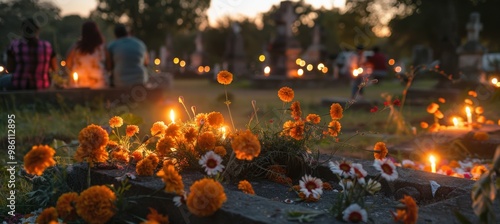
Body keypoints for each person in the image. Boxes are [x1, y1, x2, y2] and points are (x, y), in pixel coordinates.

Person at [0, 18, 57, 90]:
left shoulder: (14, 45)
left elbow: (10, 69)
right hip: (42, 85)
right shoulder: (47, 46)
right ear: (38, 30)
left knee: (2, 80)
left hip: (19, 84)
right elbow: (55, 68)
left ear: (22, 30)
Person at [66, 21, 107, 88]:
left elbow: (68, 63)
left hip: (79, 82)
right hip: (99, 82)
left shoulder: (76, 47)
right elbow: (109, 65)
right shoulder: (102, 47)